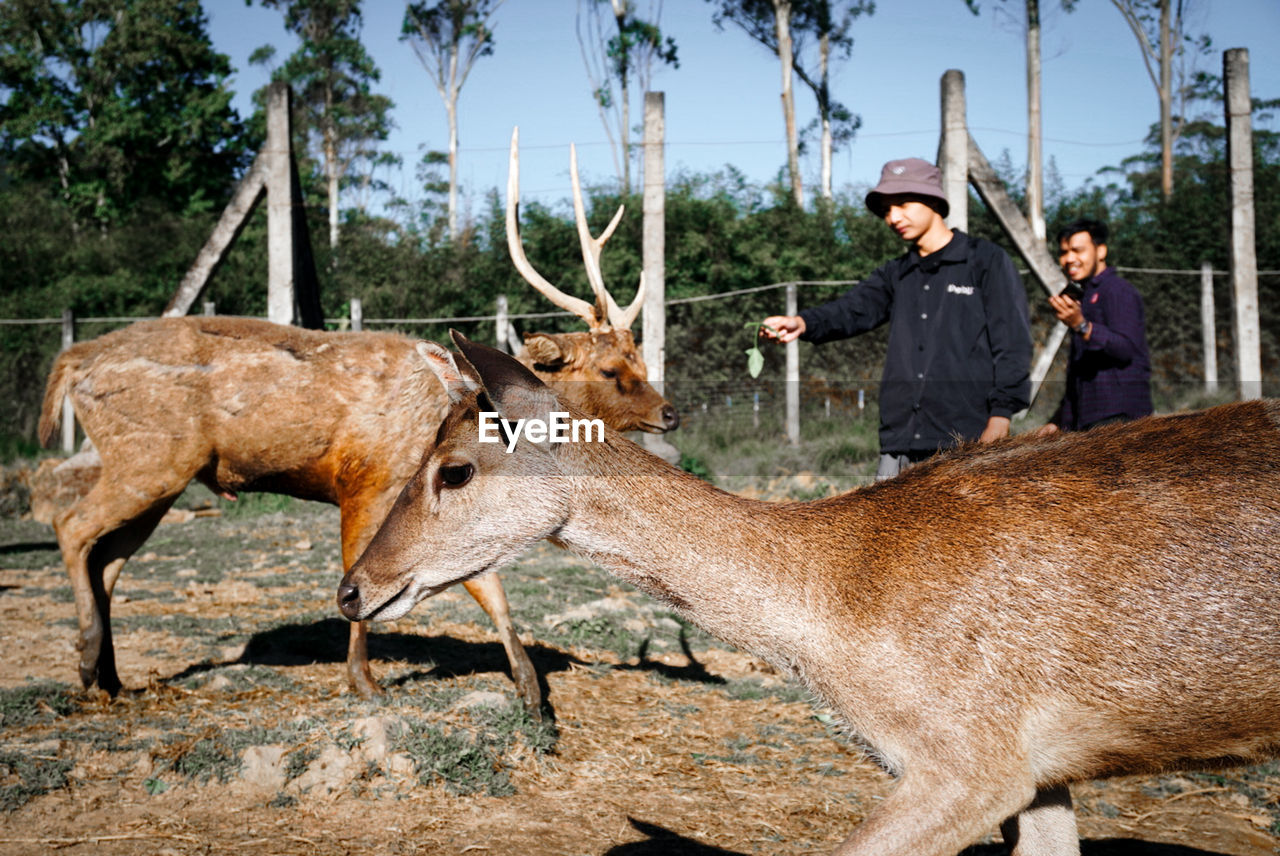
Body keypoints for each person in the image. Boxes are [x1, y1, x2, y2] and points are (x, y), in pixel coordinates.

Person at [762, 157, 1032, 479]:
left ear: (934, 200)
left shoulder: (985, 262)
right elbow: (852, 309)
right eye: (886, 210)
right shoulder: (896, 274)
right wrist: (803, 323)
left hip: (967, 445)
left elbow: (1012, 344)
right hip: (899, 447)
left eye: (902, 204)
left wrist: (1001, 417)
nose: (893, 217)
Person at [1037, 219, 1152, 436]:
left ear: (1101, 251)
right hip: (1089, 423)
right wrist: (1059, 421)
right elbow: (1082, 374)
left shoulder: (1118, 291)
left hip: (1120, 421)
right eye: (1064, 252)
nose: (1069, 259)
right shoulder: (1084, 296)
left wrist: (1082, 325)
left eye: (1078, 250)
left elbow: (1126, 349)